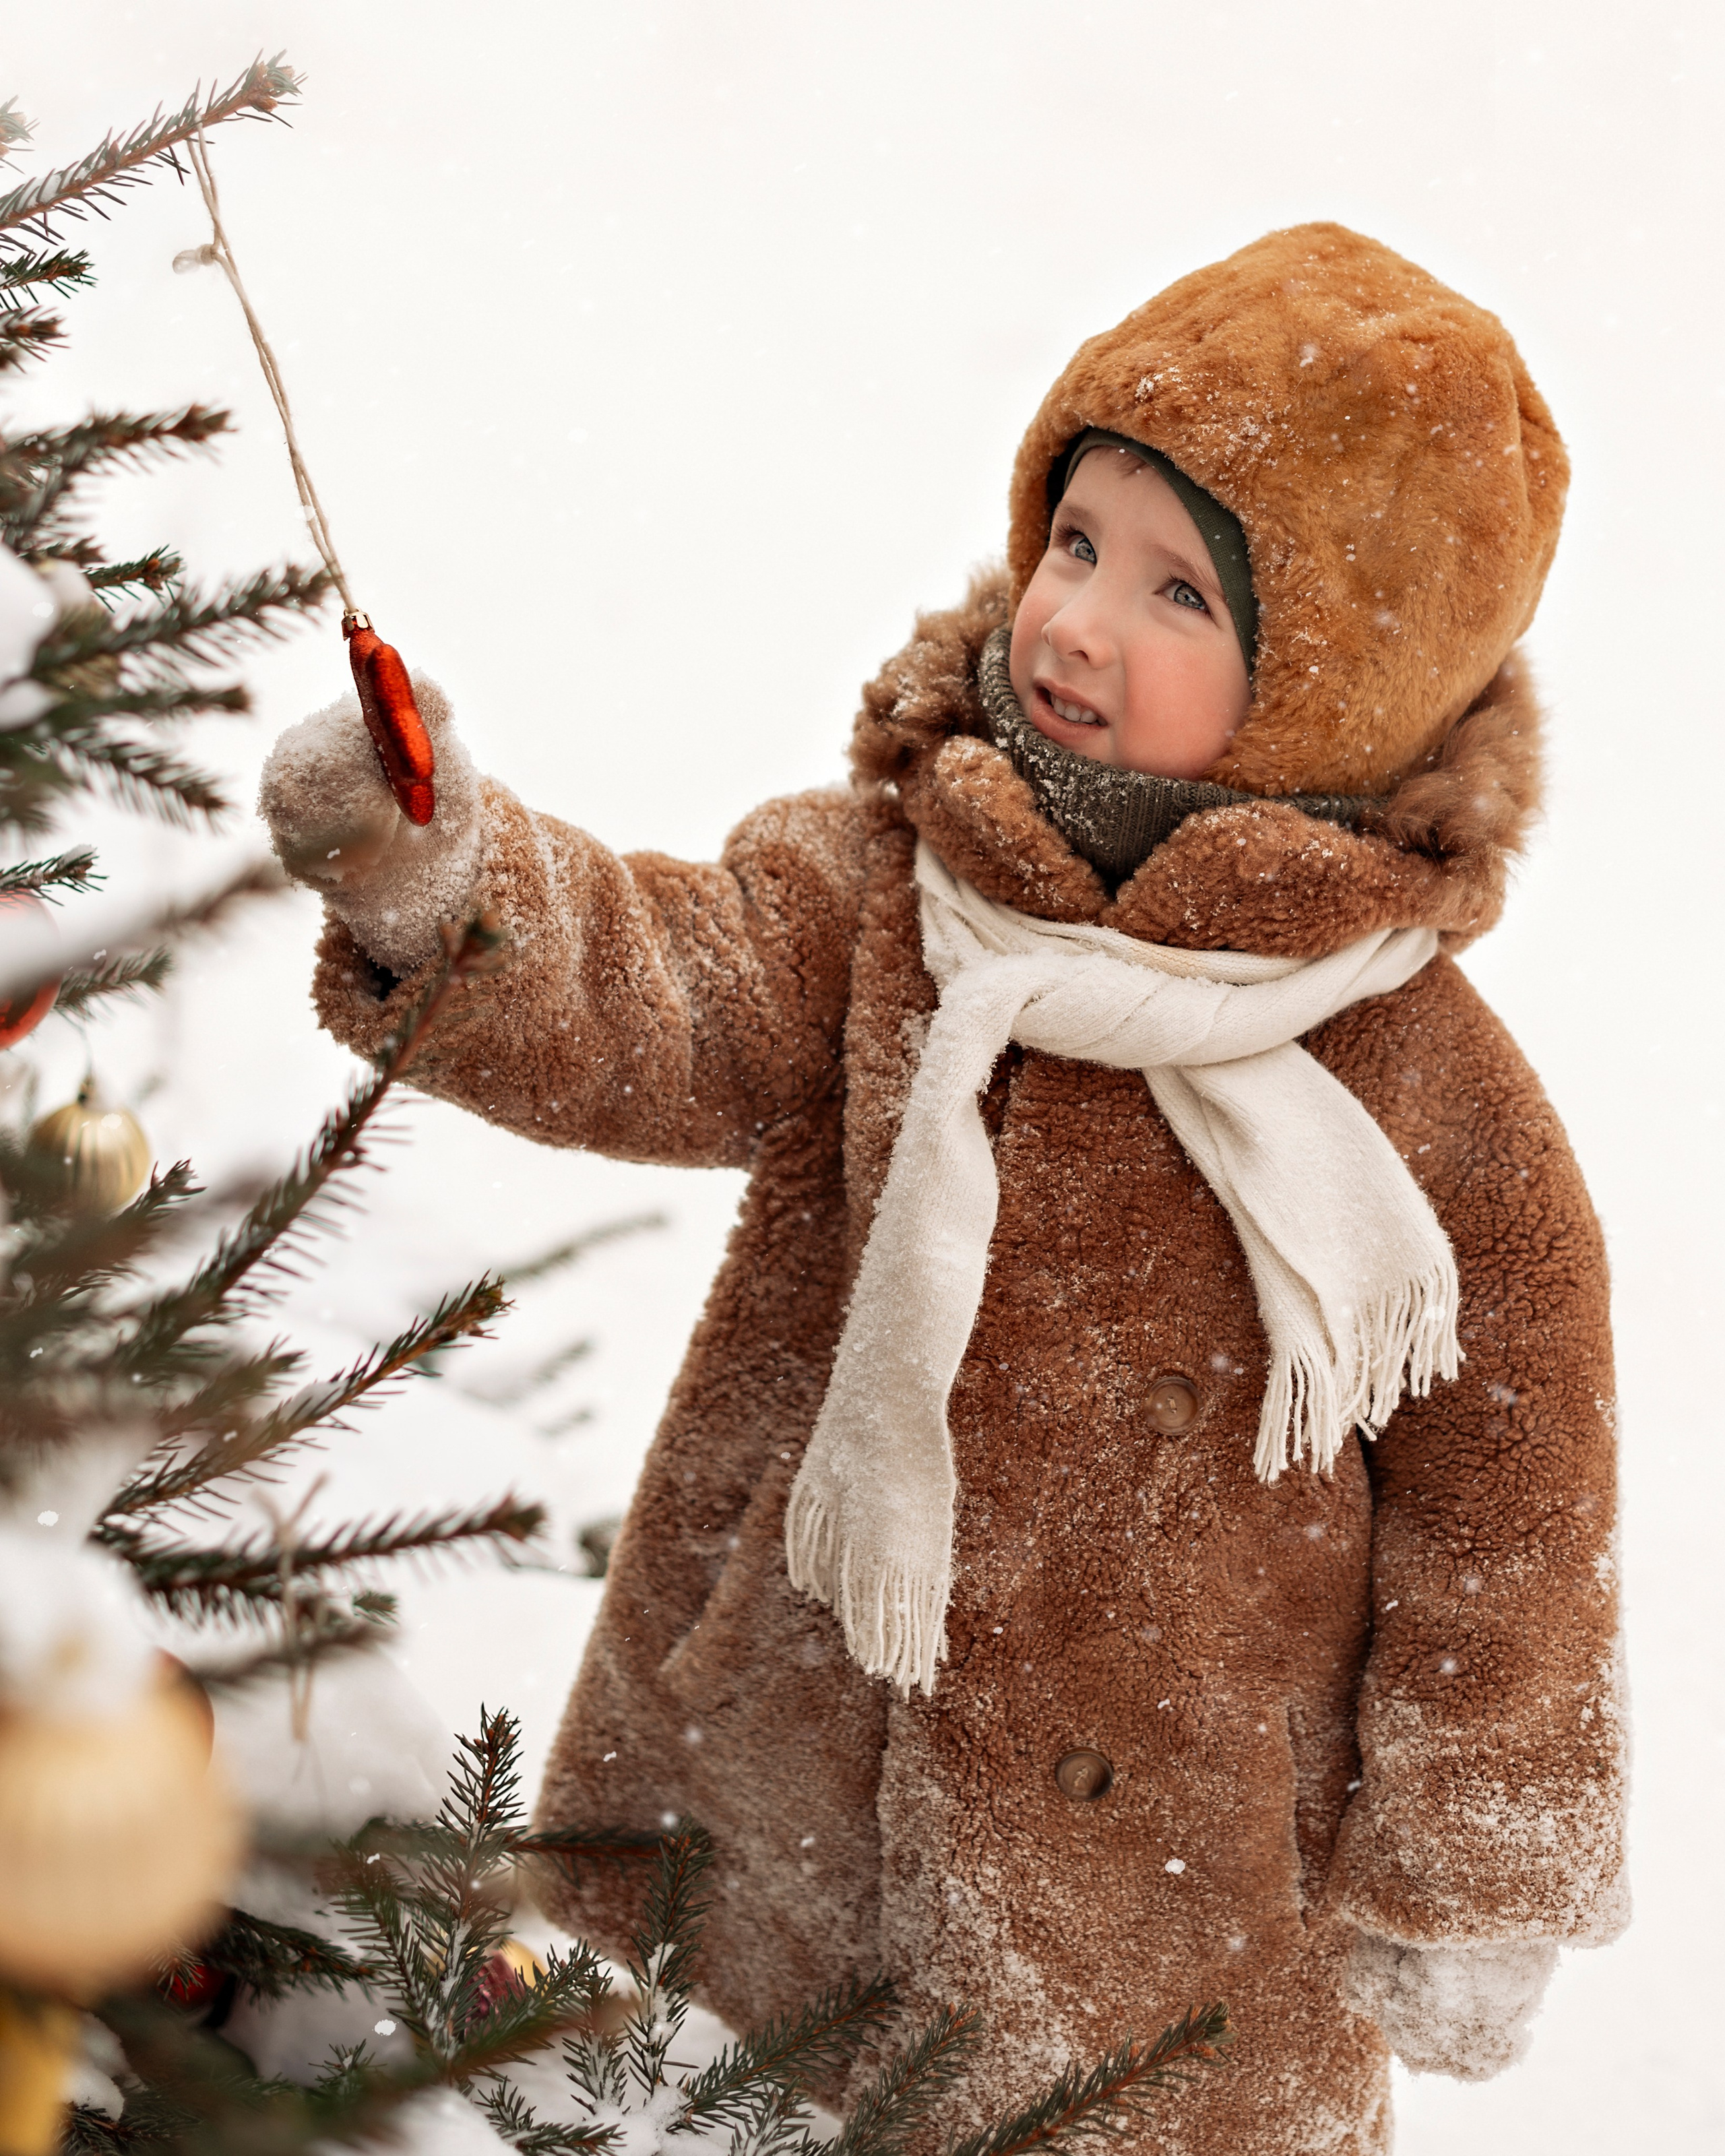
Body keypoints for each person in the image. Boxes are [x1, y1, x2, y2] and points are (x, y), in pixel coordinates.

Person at [259, 223, 1625, 2155]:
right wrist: (444, 880)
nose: (1077, 623)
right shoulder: (899, 896)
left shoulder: (1420, 1086)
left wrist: (1476, 1853)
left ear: (1344, 676)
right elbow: (666, 987)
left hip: (1182, 1915)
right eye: (1075, 541)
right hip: (792, 1769)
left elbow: (1518, 1500)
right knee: (700, 2107)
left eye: (1178, 593)